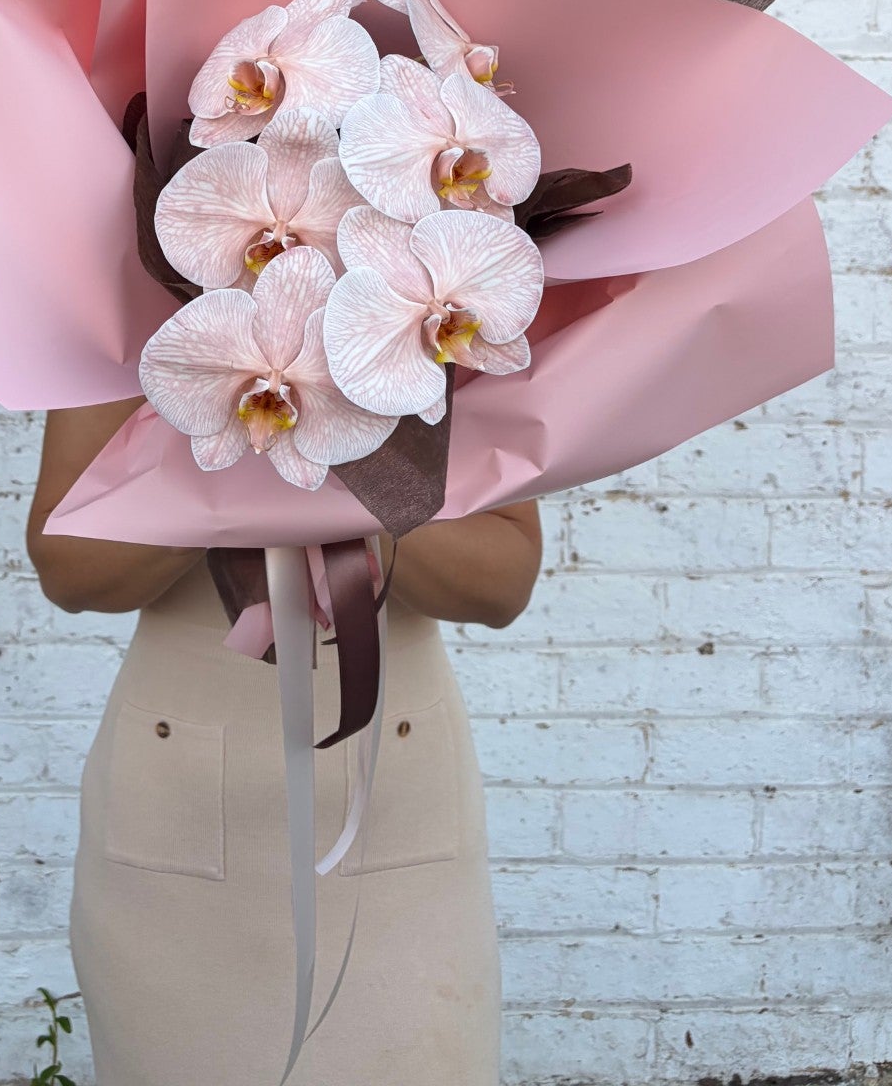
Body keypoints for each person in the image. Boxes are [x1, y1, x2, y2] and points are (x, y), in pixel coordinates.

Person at [27, 397, 543, 1085]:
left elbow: (501, 583)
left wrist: (345, 458)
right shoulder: (129, 330)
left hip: (397, 820)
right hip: (172, 823)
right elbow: (70, 570)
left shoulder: (445, 321)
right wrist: (230, 449)